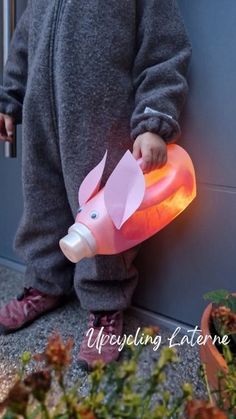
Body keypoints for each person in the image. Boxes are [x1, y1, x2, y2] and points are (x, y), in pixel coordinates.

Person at [0, 0, 192, 370]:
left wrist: (155, 119)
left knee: (103, 218)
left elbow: (164, 50)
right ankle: (44, 283)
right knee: (41, 203)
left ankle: (105, 307)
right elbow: (23, 43)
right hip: (42, 120)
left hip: (101, 121)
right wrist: (9, 98)